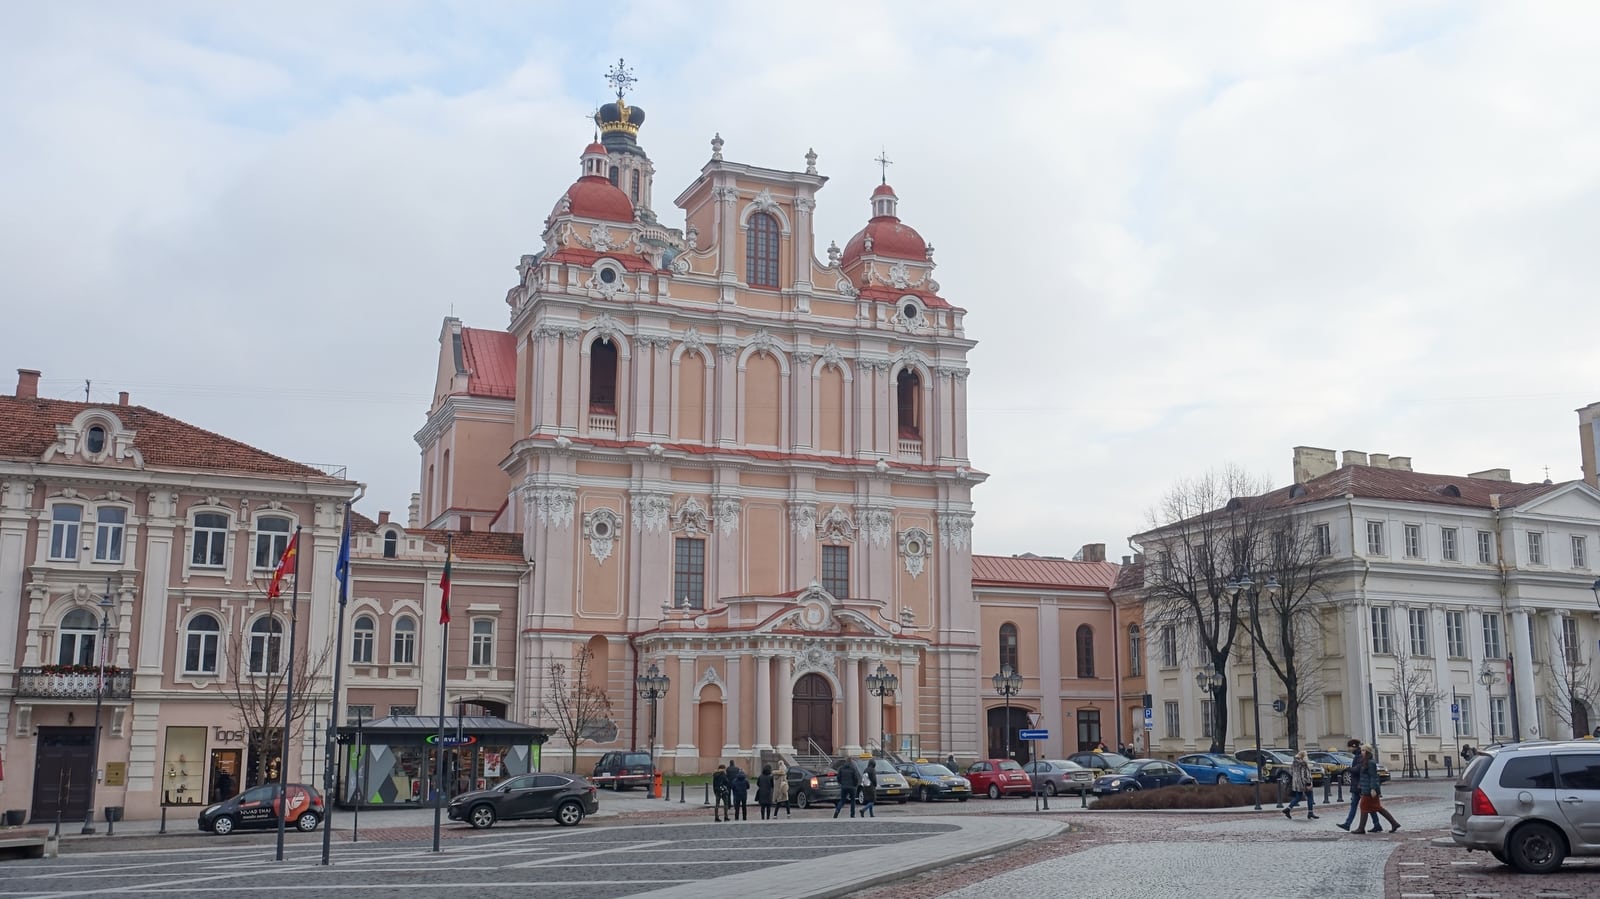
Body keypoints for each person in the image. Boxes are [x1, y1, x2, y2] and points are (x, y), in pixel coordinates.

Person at [1355, 745, 1400, 835]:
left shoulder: (1371, 762)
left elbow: (1373, 777)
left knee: (1364, 807)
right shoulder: (1365, 762)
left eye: (1364, 750)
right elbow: (1364, 776)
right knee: (1377, 808)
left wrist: (1373, 789)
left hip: (1370, 790)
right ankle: (1394, 823)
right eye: (1361, 750)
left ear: (1368, 752)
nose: (1362, 752)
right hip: (1366, 789)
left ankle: (1361, 828)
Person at [1284, 749, 1317, 820]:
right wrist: (1308, 783)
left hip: (1297, 783)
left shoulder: (1294, 763)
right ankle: (1310, 812)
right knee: (1310, 796)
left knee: (1298, 797)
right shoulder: (1303, 764)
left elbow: (1291, 772)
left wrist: (1296, 780)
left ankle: (1288, 809)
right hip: (1304, 783)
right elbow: (1306, 775)